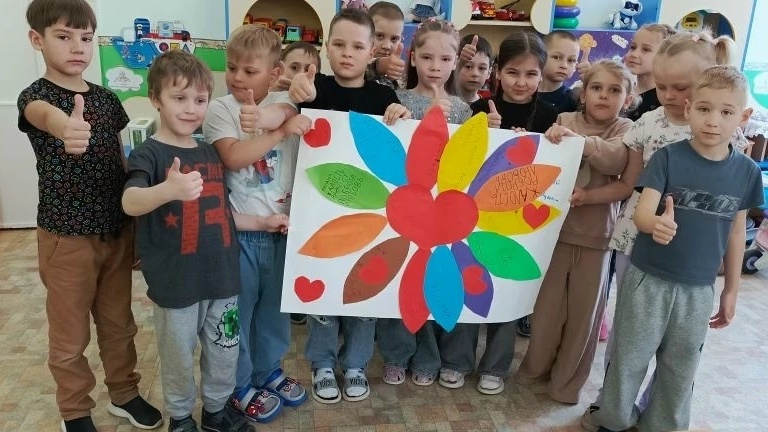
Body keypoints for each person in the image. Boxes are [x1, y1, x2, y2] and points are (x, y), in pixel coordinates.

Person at [581, 31, 750, 432]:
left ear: (742, 118)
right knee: (630, 351)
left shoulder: (744, 171)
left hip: (698, 286)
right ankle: (614, 415)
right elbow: (640, 203)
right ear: (692, 109)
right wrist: (652, 223)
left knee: (681, 362)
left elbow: (737, 231)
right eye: (704, 109)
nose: (713, 120)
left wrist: (731, 290)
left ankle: (663, 422)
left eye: (726, 112)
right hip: (648, 273)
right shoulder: (667, 154)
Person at [18, 1, 162, 431]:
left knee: (119, 324)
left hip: (115, 231)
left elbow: (121, 161)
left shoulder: (107, 100)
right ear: (37, 40)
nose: (78, 47)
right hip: (66, 238)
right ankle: (75, 411)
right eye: (64, 37)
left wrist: (135, 224)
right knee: (70, 334)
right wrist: (64, 126)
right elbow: (42, 116)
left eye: (85, 38)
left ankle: (124, 393)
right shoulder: (36, 98)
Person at [122, 50, 253, 432]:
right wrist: (168, 190)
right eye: (179, 98)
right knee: (178, 356)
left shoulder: (210, 152)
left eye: (200, 99)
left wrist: (265, 220)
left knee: (224, 351)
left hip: (222, 279)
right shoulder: (148, 153)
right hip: (176, 284)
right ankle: (180, 417)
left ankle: (216, 411)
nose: (191, 108)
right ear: (155, 98)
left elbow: (222, 212)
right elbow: (130, 202)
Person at [288, 7, 410, 404]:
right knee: (322, 292)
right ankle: (322, 362)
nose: (347, 53)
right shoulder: (317, 87)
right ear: (326, 47)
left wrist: (401, 114)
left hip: (371, 216)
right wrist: (298, 91)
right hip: (320, 211)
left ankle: (356, 363)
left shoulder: (382, 95)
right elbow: (299, 99)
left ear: (372, 51)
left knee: (365, 290)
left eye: (357, 46)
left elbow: (398, 144)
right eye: (338, 44)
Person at [437, 31, 558, 395]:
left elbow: (554, 167)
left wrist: (544, 142)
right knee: (470, 280)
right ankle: (456, 360)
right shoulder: (478, 110)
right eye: (513, 72)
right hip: (476, 217)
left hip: (521, 221)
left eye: (531, 74)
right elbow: (461, 163)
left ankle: (496, 366)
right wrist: (488, 135)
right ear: (498, 72)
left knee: (509, 288)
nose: (521, 82)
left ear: (541, 75)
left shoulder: (550, 116)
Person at [202, 25, 311, 421]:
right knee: (238, 314)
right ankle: (238, 383)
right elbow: (233, 157)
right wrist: (278, 133)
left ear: (274, 72)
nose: (237, 77)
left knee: (273, 312)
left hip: (283, 233)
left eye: (249, 71)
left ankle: (267, 370)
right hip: (243, 233)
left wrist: (271, 117)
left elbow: (286, 109)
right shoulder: (219, 109)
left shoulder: (284, 102)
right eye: (231, 67)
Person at [515, 60, 635, 404]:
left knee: (584, 318)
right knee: (547, 310)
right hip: (555, 234)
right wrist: (545, 140)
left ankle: (566, 385)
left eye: (614, 90)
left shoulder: (626, 128)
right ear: (583, 93)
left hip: (598, 239)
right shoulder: (565, 120)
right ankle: (534, 370)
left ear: (627, 100)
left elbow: (616, 161)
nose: (604, 96)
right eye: (596, 88)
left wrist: (581, 144)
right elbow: (545, 164)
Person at [376, 18, 472, 388]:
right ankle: (396, 354)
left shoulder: (461, 109)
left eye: (445, 59)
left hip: (441, 213)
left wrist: (459, 129)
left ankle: (429, 356)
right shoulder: (398, 100)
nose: (435, 66)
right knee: (401, 280)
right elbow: (391, 148)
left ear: (455, 63)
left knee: (432, 282)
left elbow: (466, 162)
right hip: (404, 209)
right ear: (413, 57)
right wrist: (396, 117)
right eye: (427, 57)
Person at [624, 24, 676, 121]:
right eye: (633, 47)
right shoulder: (624, 88)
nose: (634, 54)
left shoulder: (663, 100)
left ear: (666, 57)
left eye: (646, 49)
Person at [366, 1, 406, 88]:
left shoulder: (400, 73)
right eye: (379, 36)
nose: (387, 46)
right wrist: (379, 65)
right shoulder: (355, 63)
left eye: (394, 39)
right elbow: (363, 69)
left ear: (401, 38)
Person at [539, 30, 580, 113]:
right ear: (541, 57)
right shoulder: (525, 92)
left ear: (576, 66)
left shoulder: (573, 99)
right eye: (556, 57)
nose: (564, 65)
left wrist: (588, 79)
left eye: (571, 60)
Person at [456, 34, 493, 104]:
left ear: (489, 73)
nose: (475, 74)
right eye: (468, 66)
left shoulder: (488, 106)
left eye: (482, 68)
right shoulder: (444, 102)